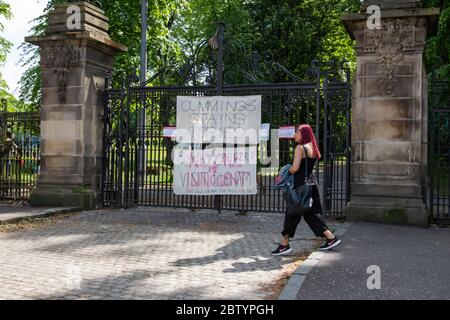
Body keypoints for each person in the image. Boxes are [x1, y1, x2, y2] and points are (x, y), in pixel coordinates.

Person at [272, 124, 342, 256]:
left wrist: (287, 168)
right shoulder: (313, 147)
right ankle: (331, 238)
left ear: (303, 134)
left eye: (297, 132)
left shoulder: (300, 148)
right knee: (311, 214)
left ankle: (284, 245)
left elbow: (295, 168)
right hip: (311, 184)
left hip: (299, 186)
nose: (294, 135)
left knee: (292, 214)